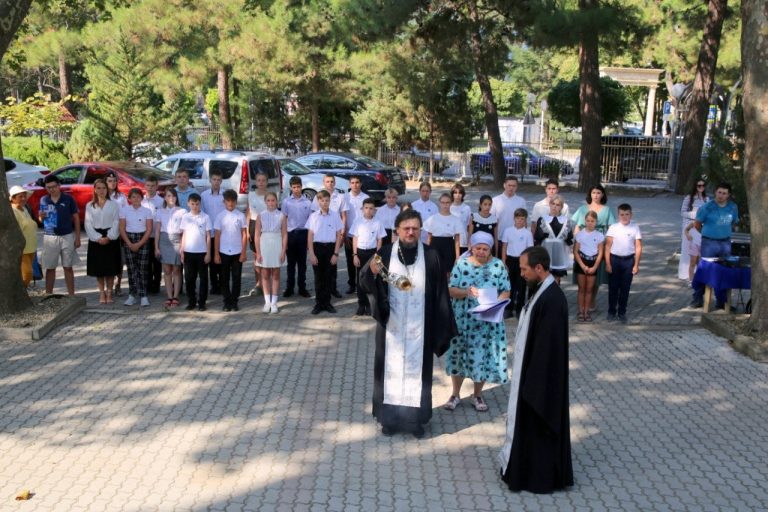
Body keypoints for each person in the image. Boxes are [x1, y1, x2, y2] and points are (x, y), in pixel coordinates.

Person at [359, 209, 457, 438]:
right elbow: (365, 280)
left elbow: (441, 293)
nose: (411, 232)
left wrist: (441, 326)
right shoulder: (383, 253)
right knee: (389, 371)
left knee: (418, 374)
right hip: (391, 327)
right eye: (406, 228)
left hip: (420, 329)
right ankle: (389, 420)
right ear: (397, 231)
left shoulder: (432, 256)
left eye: (415, 228)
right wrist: (370, 273)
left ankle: (414, 421)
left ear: (420, 230)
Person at [499, 246, 573, 494]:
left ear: (539, 269)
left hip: (539, 383)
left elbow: (547, 350)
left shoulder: (552, 300)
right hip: (529, 375)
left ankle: (536, 476)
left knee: (537, 428)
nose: (521, 273)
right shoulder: (541, 291)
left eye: (523, 269)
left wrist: (532, 386)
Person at [443, 231, 510, 413]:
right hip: (462, 320)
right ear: (471, 248)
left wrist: (496, 304)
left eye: (485, 249)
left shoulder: (498, 266)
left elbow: (506, 290)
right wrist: (466, 292)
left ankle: (477, 395)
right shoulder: (462, 264)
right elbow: (450, 290)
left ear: (490, 249)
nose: (481, 252)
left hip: (487, 321)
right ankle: (455, 394)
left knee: (482, 356)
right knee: (458, 355)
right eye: (477, 248)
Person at [690, 182, 738, 309]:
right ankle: (698, 298)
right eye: (719, 192)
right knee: (705, 270)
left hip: (725, 243)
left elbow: (733, 222)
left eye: (724, 193)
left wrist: (722, 232)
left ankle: (722, 302)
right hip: (709, 243)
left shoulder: (733, 207)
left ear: (728, 195)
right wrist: (708, 234)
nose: (721, 195)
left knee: (724, 272)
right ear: (715, 192)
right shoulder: (707, 207)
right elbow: (697, 224)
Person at [570, 184, 616, 311]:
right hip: (584, 243)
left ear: (602, 195)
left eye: (598, 193)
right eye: (594, 192)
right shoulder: (582, 209)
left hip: (599, 242)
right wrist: (576, 239)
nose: (596, 195)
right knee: (582, 273)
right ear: (590, 194)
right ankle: (582, 302)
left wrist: (607, 241)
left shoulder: (607, 210)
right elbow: (578, 226)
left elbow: (611, 227)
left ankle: (592, 299)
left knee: (597, 274)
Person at [38, 174, 80, 295]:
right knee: (50, 267)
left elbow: (76, 218)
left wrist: (77, 237)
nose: (52, 189)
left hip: (67, 235)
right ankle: (49, 294)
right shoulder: (44, 199)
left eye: (54, 186)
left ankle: (71, 295)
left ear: (59, 186)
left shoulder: (68, 199)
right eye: (48, 187)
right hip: (50, 236)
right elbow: (41, 219)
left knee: (68, 267)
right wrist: (41, 216)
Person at [306, 189, 344, 314]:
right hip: (317, 248)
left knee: (328, 276)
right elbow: (310, 235)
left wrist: (336, 253)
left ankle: (327, 303)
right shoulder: (313, 216)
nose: (324, 203)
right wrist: (311, 253)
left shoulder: (335, 215)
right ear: (318, 201)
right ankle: (319, 303)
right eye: (321, 200)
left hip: (330, 248)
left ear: (330, 201)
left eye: (327, 200)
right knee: (318, 277)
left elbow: (339, 235)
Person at [311, 174, 348, 298]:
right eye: (327, 181)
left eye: (332, 181)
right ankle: (321, 295)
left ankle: (333, 289)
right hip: (321, 236)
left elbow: (343, 216)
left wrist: (342, 233)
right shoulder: (318, 197)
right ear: (323, 183)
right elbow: (313, 216)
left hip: (334, 235)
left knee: (332, 266)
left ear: (335, 183)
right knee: (321, 271)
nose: (330, 183)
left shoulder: (340, 197)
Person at [84, 179, 121, 304]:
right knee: (99, 269)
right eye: (98, 188)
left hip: (111, 237)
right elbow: (87, 223)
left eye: (103, 188)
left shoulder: (114, 204)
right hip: (96, 239)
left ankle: (109, 293)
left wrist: (109, 237)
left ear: (107, 189)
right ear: (94, 189)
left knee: (110, 269)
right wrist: (97, 238)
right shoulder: (89, 205)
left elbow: (117, 222)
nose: (101, 191)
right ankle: (101, 293)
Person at [605, 204, 643, 323]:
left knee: (625, 288)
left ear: (631, 214)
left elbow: (638, 247)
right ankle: (611, 311)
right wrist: (608, 263)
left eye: (627, 214)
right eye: (622, 214)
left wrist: (636, 264)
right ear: (618, 215)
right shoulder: (614, 227)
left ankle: (622, 312)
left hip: (628, 261)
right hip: (615, 260)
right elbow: (608, 246)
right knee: (613, 288)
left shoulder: (635, 228)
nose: (624, 217)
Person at [351, 197, 386, 316]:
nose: (368, 210)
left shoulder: (378, 222)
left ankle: (370, 305)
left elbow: (379, 239)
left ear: (374, 210)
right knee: (360, 279)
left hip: (372, 253)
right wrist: (355, 255)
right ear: (362, 209)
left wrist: (377, 257)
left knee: (371, 280)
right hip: (360, 253)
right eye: (366, 208)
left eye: (371, 208)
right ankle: (361, 304)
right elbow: (355, 238)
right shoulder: (357, 221)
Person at [119, 188, 153, 307]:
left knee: (142, 269)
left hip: (142, 239)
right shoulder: (124, 210)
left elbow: (149, 229)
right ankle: (132, 295)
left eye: (138, 197)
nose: (136, 199)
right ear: (129, 199)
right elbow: (122, 228)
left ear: (141, 198)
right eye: (133, 197)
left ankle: (143, 295)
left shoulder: (147, 211)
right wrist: (129, 243)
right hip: (129, 239)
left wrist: (139, 243)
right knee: (131, 269)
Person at [254, 192, 287, 313]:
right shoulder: (260, 215)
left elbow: (284, 234)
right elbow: (257, 235)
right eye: (268, 200)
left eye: (273, 200)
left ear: (277, 202)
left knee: (276, 274)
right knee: (265, 274)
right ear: (265, 202)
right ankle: (267, 302)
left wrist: (283, 251)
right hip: (264, 245)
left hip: (277, 244)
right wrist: (258, 252)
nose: (271, 203)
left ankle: (274, 302)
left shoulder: (281, 215)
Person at [214, 189, 247, 312]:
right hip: (223, 251)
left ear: (236, 202)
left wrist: (243, 252)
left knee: (236, 277)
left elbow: (244, 234)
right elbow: (217, 235)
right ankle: (226, 301)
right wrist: (216, 253)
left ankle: (234, 301)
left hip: (237, 251)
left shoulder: (240, 215)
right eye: (228, 201)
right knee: (224, 277)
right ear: (224, 202)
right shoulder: (220, 216)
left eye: (233, 202)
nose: (230, 204)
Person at [180, 193, 212, 311]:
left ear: (200, 204)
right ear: (188, 204)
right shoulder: (185, 217)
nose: (194, 206)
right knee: (189, 278)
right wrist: (182, 250)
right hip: (188, 252)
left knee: (203, 278)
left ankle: (202, 302)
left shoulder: (205, 217)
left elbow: (208, 236)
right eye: (192, 204)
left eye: (197, 204)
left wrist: (208, 253)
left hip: (202, 252)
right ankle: (191, 301)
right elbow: (184, 234)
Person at [282, 176, 313, 298]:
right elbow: (284, 219)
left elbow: (310, 220)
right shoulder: (286, 202)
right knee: (290, 263)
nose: (296, 189)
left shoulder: (307, 202)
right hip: (291, 234)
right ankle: (289, 287)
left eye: (298, 187)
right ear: (291, 188)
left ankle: (302, 287)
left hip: (303, 234)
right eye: (294, 187)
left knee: (302, 263)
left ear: (301, 186)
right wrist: (284, 236)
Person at [154, 187, 185, 308]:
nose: (170, 198)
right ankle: (169, 296)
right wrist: (156, 246)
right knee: (167, 270)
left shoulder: (182, 211)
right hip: (164, 240)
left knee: (177, 270)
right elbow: (157, 231)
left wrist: (183, 246)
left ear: (176, 198)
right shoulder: (160, 212)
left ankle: (176, 296)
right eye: (168, 196)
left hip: (177, 240)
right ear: (165, 198)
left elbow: (184, 231)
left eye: (173, 196)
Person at [500, 208, 533, 318]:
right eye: (518, 218)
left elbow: (529, 250)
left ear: (525, 220)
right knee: (510, 286)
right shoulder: (508, 231)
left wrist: (527, 265)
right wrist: (504, 262)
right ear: (514, 219)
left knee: (522, 286)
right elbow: (504, 247)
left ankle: (520, 309)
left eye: (522, 219)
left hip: (522, 261)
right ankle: (508, 309)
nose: (519, 221)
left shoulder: (527, 233)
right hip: (510, 260)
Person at [533, 195, 574, 284]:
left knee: (556, 278)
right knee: (544, 277)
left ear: (561, 207)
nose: (555, 207)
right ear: (550, 205)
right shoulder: (543, 219)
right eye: (553, 204)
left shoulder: (566, 221)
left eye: (558, 205)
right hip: (546, 251)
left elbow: (569, 238)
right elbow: (538, 237)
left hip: (559, 252)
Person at [573, 210, 605, 323]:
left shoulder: (599, 235)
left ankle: (587, 311)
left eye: (592, 221)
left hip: (593, 262)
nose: (590, 223)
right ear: (584, 221)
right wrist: (582, 266)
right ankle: (581, 311)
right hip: (582, 262)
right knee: (581, 289)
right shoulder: (580, 234)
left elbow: (600, 252)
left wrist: (595, 267)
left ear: (596, 222)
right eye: (588, 221)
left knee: (589, 290)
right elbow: (576, 251)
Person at [201, 168, 226, 295]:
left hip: (222, 233)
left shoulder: (225, 195)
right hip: (210, 233)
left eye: (218, 180)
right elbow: (203, 213)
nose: (216, 182)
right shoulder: (204, 195)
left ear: (221, 181)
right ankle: (214, 285)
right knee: (211, 261)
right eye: (214, 180)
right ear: (210, 180)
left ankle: (223, 284)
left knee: (221, 259)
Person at [423, 193, 462, 274]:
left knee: (448, 271)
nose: (445, 205)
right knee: (435, 270)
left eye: (447, 202)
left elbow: (457, 240)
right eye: (443, 202)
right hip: (435, 245)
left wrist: (457, 256)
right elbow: (429, 238)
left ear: (451, 203)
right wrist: (426, 252)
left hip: (449, 246)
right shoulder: (433, 218)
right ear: (439, 203)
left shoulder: (455, 219)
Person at [678, 178, 708, 282]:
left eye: (703, 185)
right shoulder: (689, 198)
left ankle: (696, 274)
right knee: (687, 250)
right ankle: (685, 274)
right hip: (689, 227)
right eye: (699, 185)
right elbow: (682, 212)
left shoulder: (706, 199)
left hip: (701, 228)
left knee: (697, 252)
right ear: (695, 186)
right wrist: (695, 215)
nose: (701, 187)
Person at [344, 176, 369, 294]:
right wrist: (344, 234)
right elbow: (342, 216)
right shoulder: (344, 197)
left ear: (361, 183)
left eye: (357, 182)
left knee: (362, 261)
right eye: (352, 183)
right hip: (349, 234)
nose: (355, 185)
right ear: (349, 184)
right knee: (350, 261)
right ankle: (351, 284)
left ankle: (362, 284)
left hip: (362, 235)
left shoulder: (366, 197)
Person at [9, 185, 38, 288]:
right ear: (13, 198)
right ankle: (19, 294)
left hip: (31, 248)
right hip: (22, 249)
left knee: (26, 274)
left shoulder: (25, 209)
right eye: (20, 196)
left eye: (24, 196)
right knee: (27, 274)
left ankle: (22, 294)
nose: (24, 199)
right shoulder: (12, 211)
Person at [491, 176, 526, 256]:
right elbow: (492, 221)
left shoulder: (521, 201)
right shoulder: (495, 201)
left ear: (516, 187)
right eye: (509, 185)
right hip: (499, 239)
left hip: (516, 239)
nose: (511, 188)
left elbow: (524, 221)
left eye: (514, 186)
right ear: (504, 185)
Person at [246, 172, 269, 295]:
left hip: (267, 226)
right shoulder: (251, 195)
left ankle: (266, 282)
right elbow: (248, 212)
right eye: (258, 180)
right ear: (256, 182)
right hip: (254, 225)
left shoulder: (271, 195)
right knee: (256, 257)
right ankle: (258, 283)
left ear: (267, 182)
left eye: (263, 180)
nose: (261, 182)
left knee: (266, 256)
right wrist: (247, 229)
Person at [141, 175, 164, 295]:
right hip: (144, 236)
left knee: (157, 262)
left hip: (157, 236)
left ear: (156, 186)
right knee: (146, 262)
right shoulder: (141, 201)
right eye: (148, 185)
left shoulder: (161, 201)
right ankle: (148, 284)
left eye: (152, 186)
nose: (150, 188)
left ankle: (157, 285)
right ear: (145, 186)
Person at [106, 173, 126, 296]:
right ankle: (108, 286)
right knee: (108, 260)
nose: (112, 183)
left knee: (119, 259)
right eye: (109, 180)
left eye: (114, 181)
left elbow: (125, 213)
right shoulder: (101, 195)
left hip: (118, 231)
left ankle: (118, 285)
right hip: (105, 230)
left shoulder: (121, 197)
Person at [450, 183, 472, 253]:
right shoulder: (449, 207)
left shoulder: (467, 208)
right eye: (455, 193)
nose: (457, 195)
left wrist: (469, 242)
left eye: (460, 193)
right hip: (451, 241)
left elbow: (469, 227)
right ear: (452, 194)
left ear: (463, 195)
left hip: (463, 242)